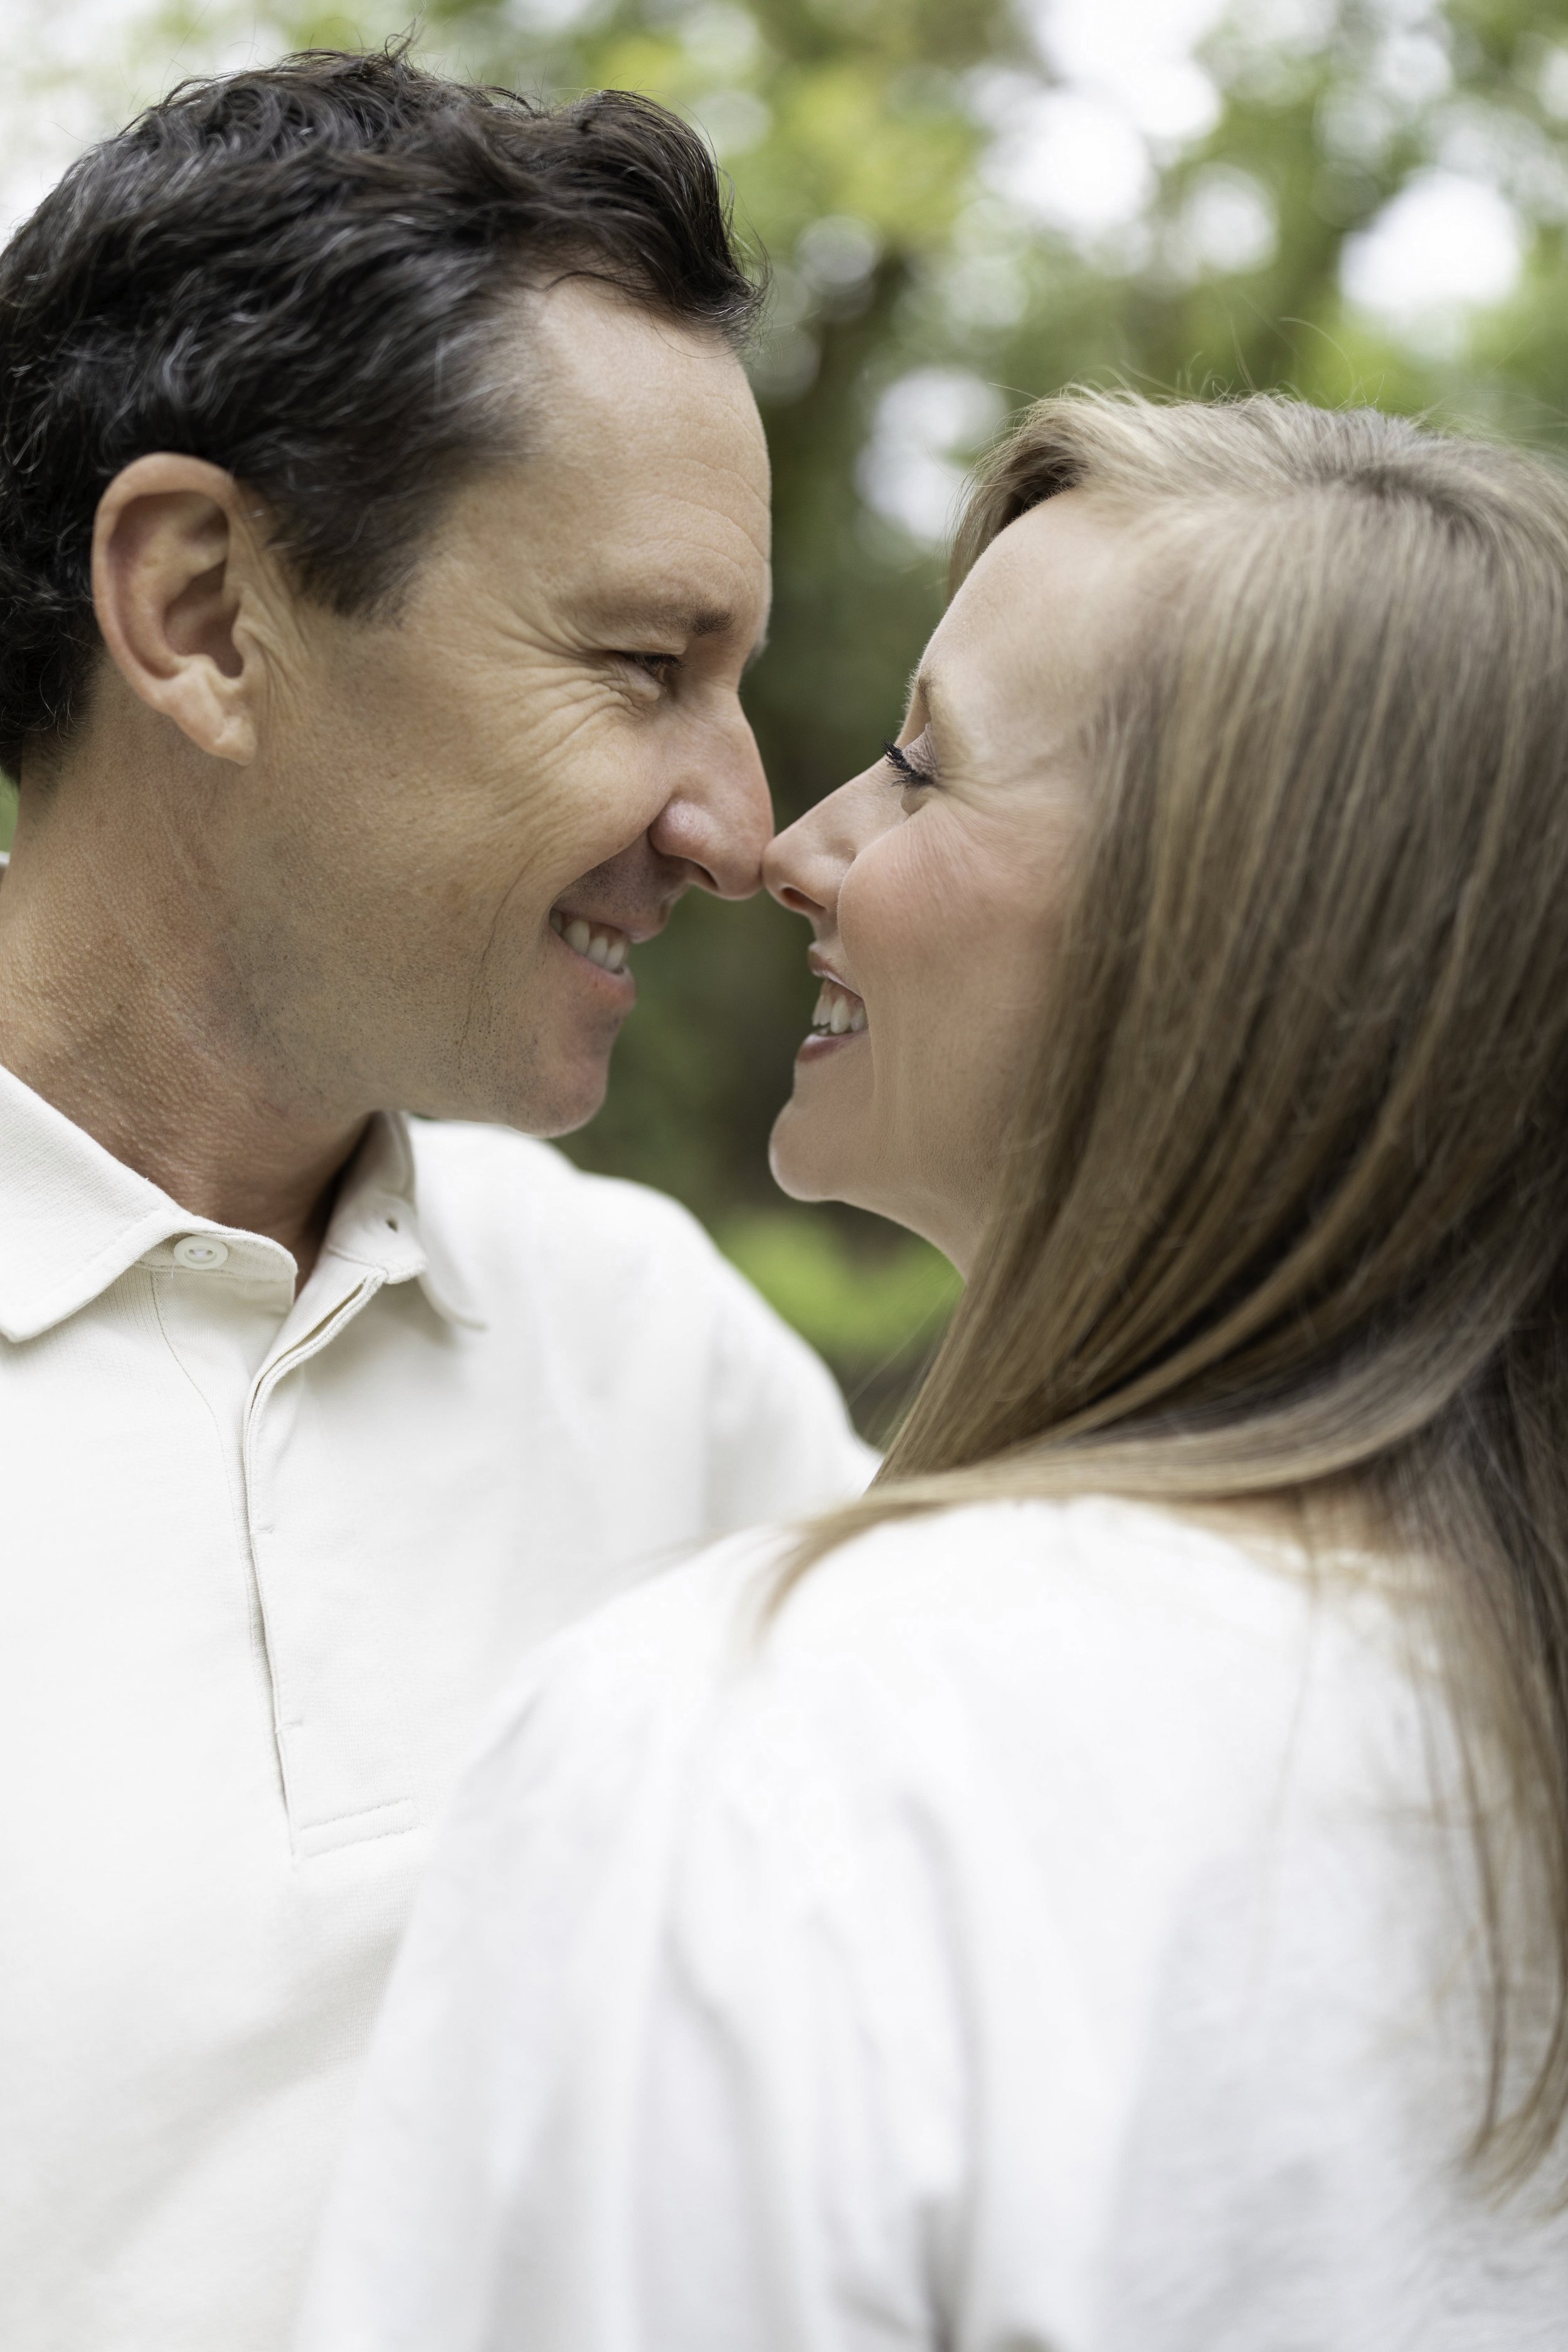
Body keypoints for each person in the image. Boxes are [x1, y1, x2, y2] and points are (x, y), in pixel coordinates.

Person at [302, 389, 1568, 2350]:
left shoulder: (781, 1755)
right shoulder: (1492, 1724)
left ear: (1213, 927)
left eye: (920, 764)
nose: (789, 844)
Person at [0, 47, 872, 2352]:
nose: (740, 824)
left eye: (740, 684)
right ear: (199, 611)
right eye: (637, 664)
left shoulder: (661, 1358)